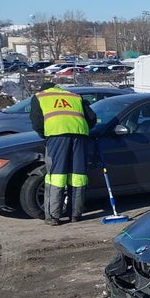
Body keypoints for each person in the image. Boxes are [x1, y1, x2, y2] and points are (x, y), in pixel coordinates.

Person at [29, 81, 97, 225]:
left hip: (57, 137)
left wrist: (47, 135)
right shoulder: (74, 96)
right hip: (80, 136)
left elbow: (36, 122)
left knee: (56, 176)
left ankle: (53, 217)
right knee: (78, 175)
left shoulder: (40, 96)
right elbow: (91, 118)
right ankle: (75, 215)